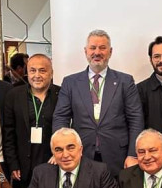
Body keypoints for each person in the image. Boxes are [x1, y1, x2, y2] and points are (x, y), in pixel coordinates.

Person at [53, 29, 144, 178]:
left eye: (102, 48)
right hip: (80, 155)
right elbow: (61, 118)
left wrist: (133, 154)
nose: (97, 52)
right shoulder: (70, 82)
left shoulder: (125, 81)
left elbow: (136, 119)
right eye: (93, 48)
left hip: (117, 156)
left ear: (110, 52)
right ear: (85, 51)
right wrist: (61, 149)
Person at [3, 54, 60, 188]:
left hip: (52, 162)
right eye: (33, 70)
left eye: (42, 70)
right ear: (27, 72)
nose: (37, 75)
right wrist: (13, 164)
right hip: (23, 166)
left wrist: (59, 153)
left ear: (51, 73)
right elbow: (8, 132)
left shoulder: (61, 94)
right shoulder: (14, 95)